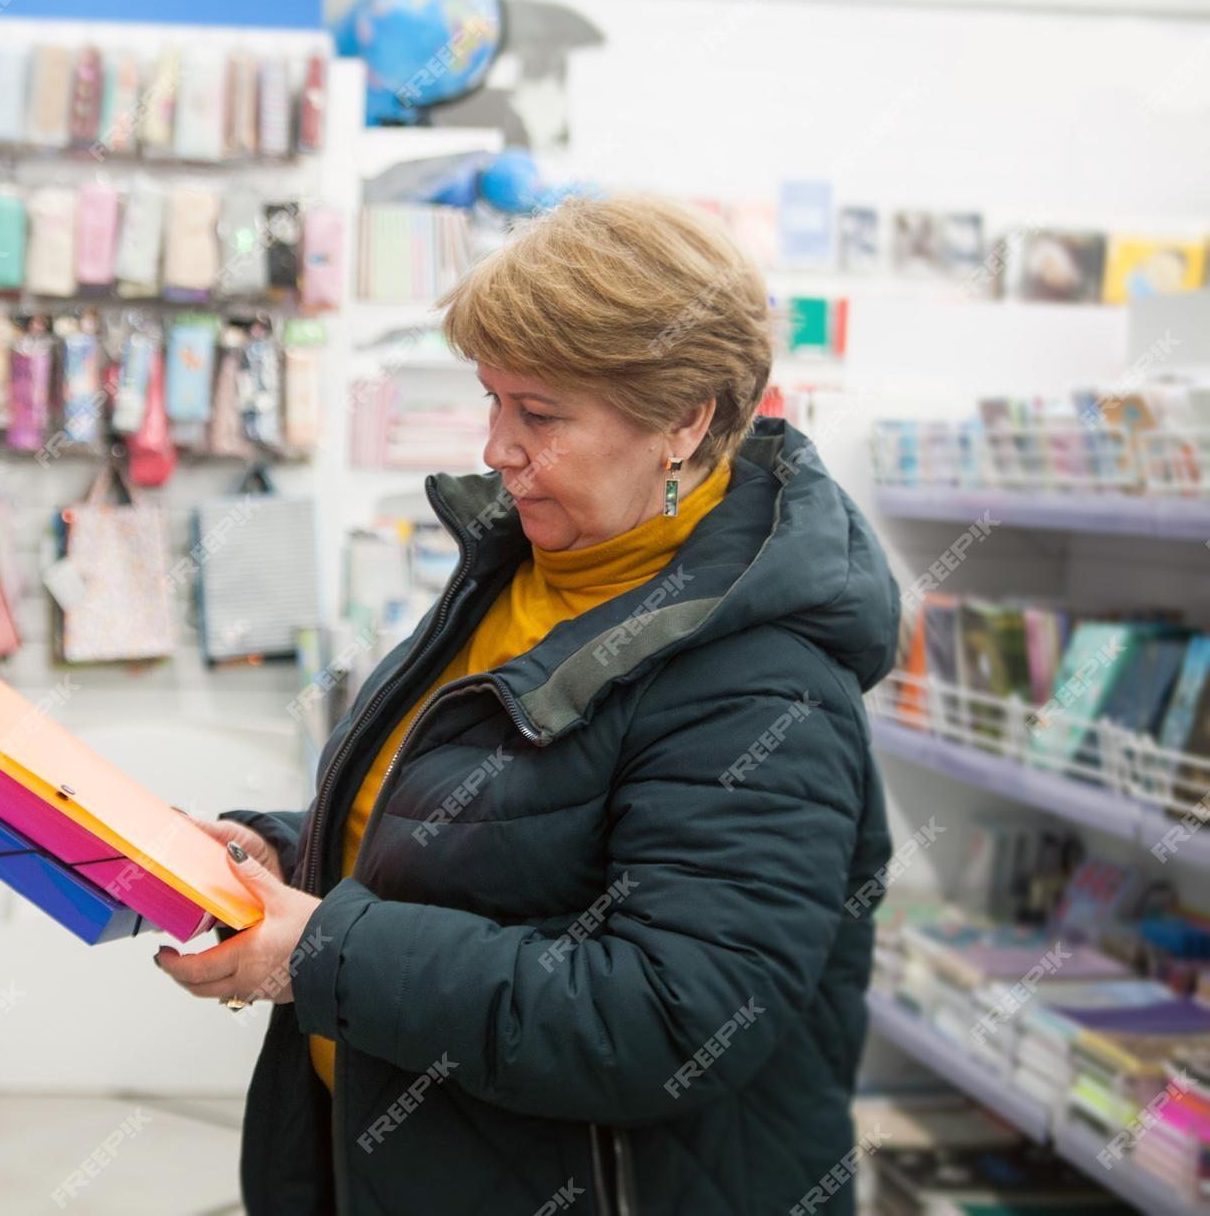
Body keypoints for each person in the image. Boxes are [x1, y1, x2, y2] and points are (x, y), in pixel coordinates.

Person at [155, 193, 898, 1215]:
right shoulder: (525, 569)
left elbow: (672, 1020)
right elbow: (481, 835)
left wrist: (321, 952)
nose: (498, 447)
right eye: (491, 399)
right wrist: (288, 854)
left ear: (682, 421)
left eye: (539, 413)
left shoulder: (761, 684)